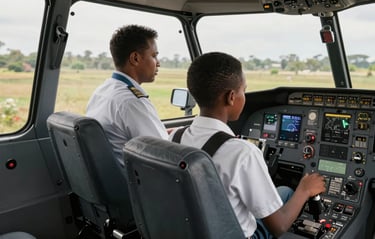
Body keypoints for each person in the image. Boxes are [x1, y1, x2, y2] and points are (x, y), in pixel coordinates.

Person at [169, 52, 326, 239]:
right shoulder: (243, 153)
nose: (245, 96)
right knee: (288, 192)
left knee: (280, 192)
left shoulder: (175, 138)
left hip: (189, 230)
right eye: (244, 90)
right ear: (231, 97)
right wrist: (305, 189)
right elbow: (279, 226)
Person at [86, 24, 168, 165]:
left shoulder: (102, 90)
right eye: (154, 56)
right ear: (135, 58)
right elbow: (164, 154)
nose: (158, 63)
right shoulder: (131, 102)